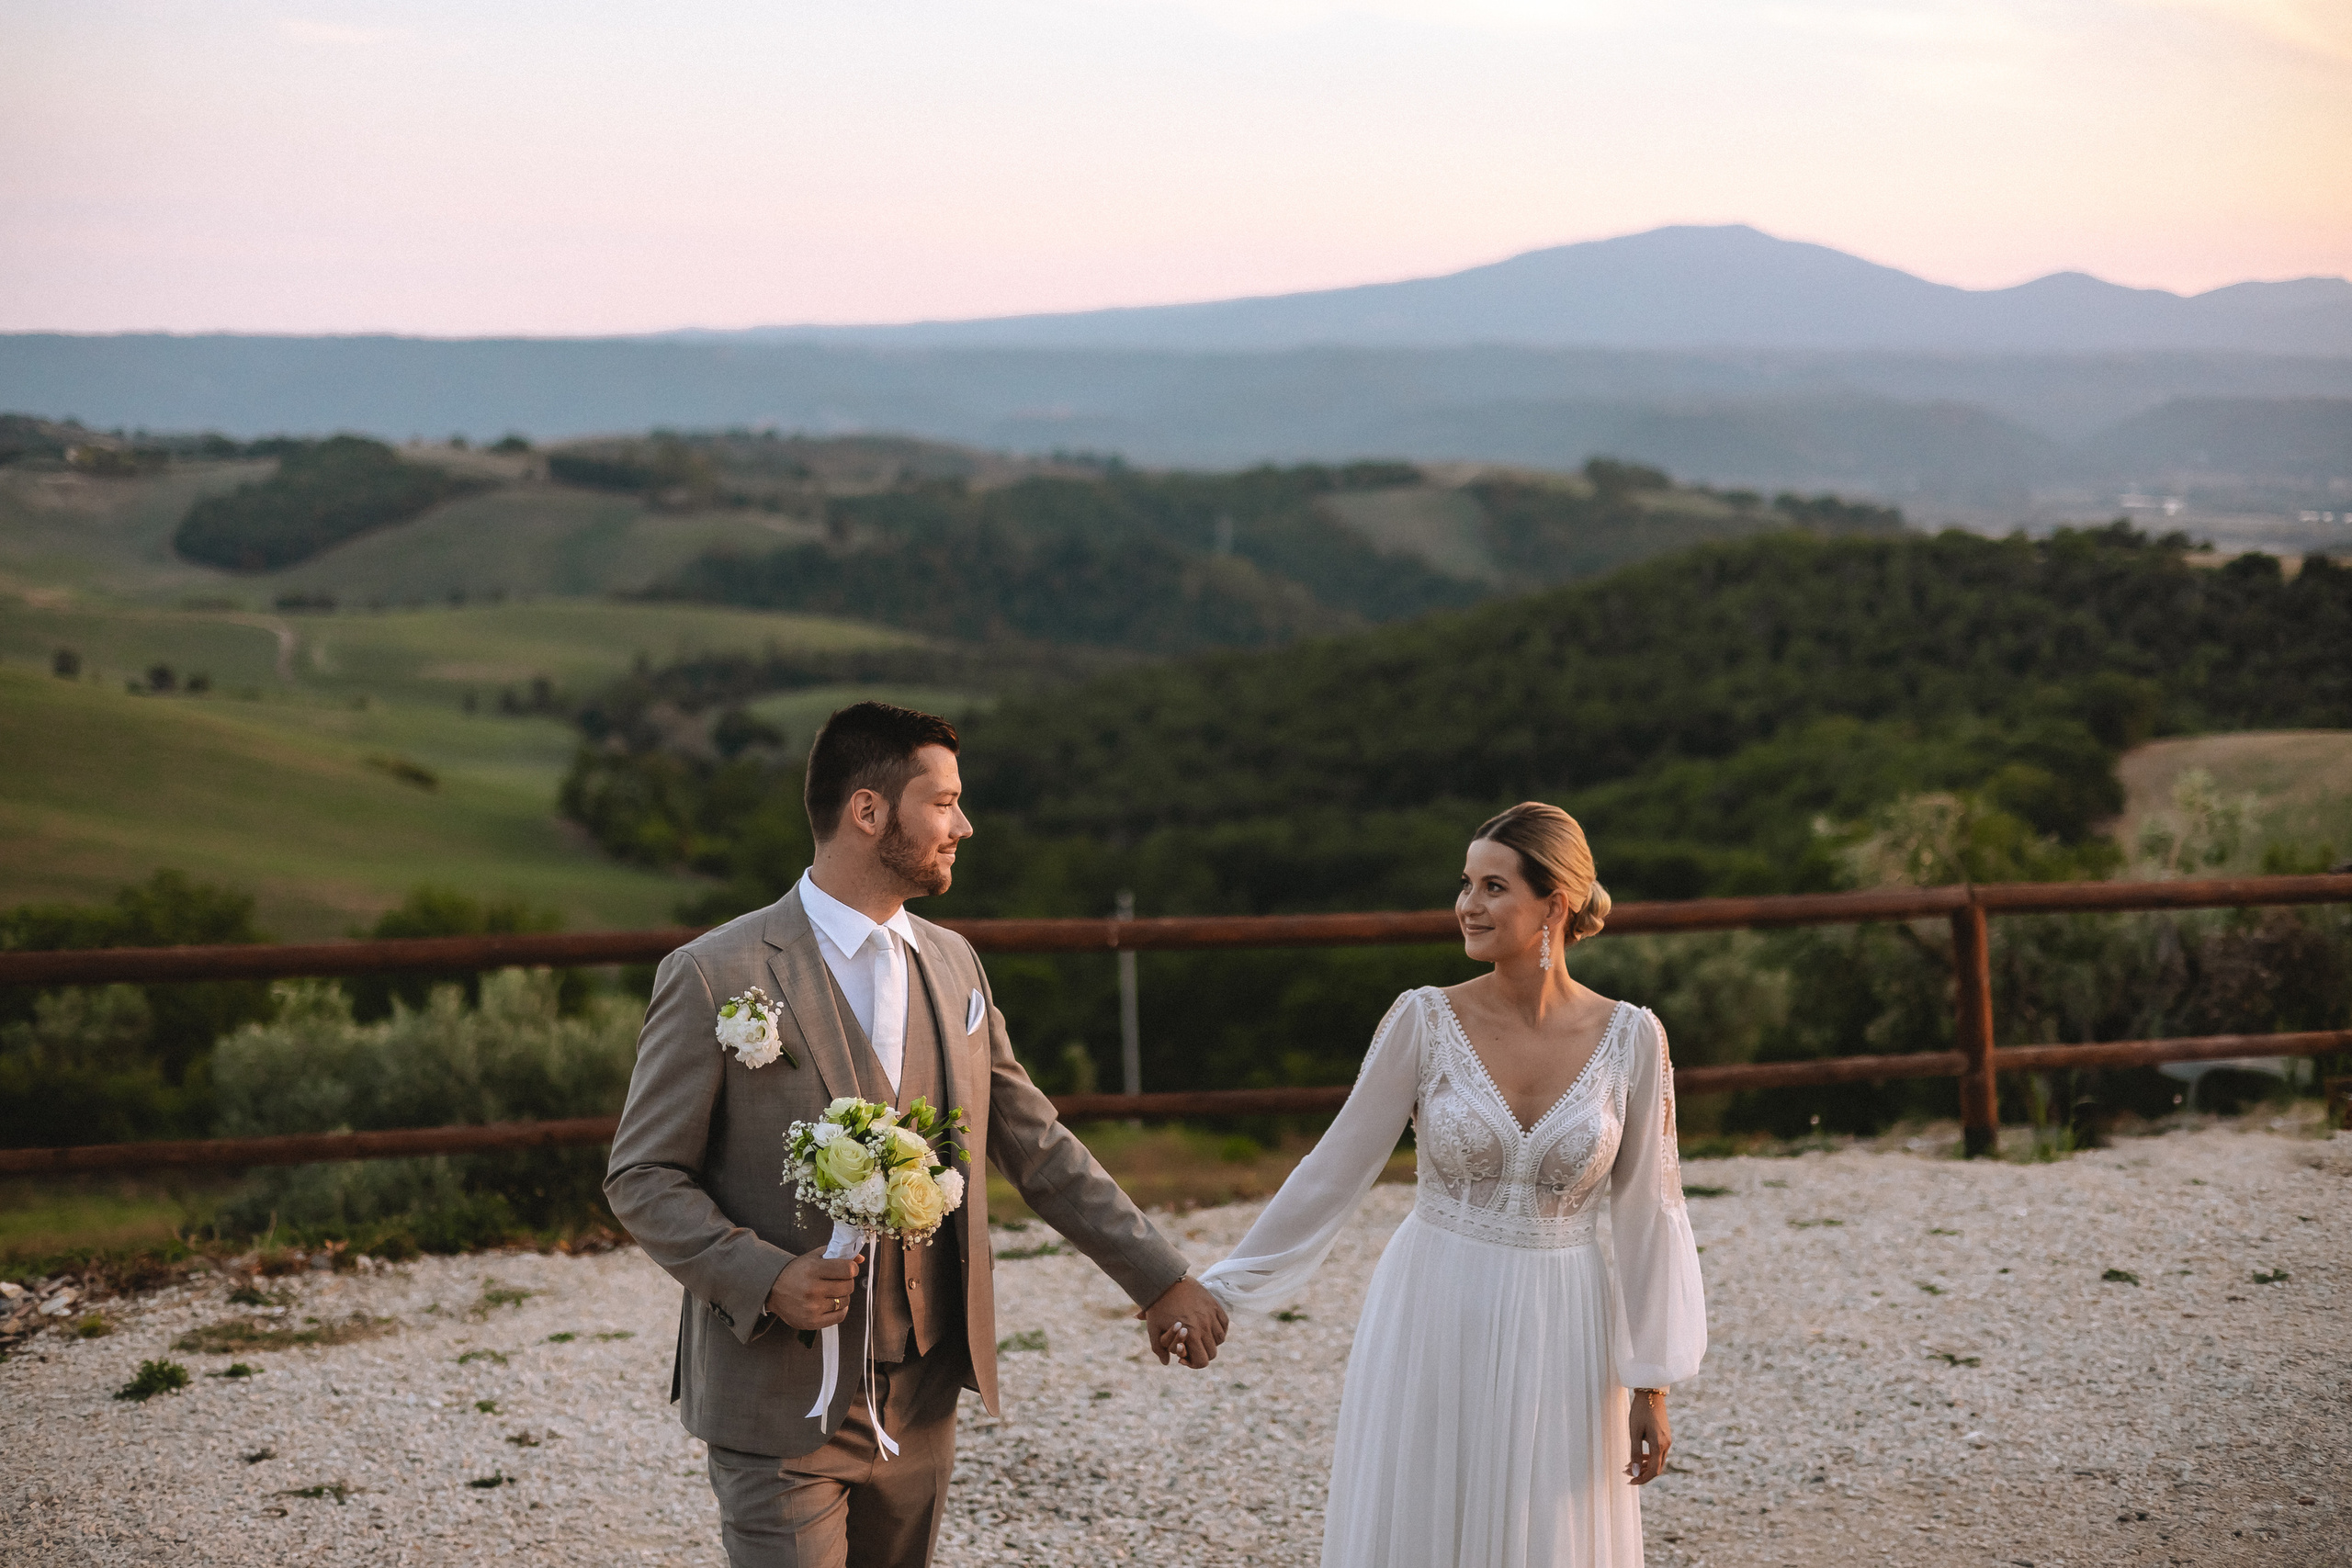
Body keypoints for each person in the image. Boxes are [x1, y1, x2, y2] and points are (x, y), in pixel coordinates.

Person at [605, 701, 1228, 1568]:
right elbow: (642, 1175)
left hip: (923, 1392)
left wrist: (1158, 1277)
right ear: (869, 811)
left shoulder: (955, 964)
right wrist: (767, 1275)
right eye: (943, 803)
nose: (963, 825)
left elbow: (1036, 1144)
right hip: (778, 1399)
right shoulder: (717, 973)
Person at [1201, 802, 1705, 1568]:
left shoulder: (1633, 1038)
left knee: (1547, 1531)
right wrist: (1219, 1287)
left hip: (1564, 1319)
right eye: (1466, 883)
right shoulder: (1423, 1020)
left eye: (1494, 886)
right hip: (1434, 1305)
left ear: (1554, 905)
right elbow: (1333, 1169)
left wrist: (1653, 1384)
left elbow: (1650, 1211)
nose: (1467, 904)